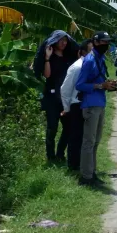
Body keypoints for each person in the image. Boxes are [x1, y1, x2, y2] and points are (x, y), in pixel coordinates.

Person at [76, 31, 117, 186]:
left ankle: (91, 173)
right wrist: (100, 85)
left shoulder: (100, 59)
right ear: (95, 43)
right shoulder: (89, 60)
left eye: (107, 42)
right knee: (89, 141)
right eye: (103, 42)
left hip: (100, 103)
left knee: (96, 141)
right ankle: (85, 177)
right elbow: (79, 84)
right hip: (90, 105)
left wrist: (109, 84)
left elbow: (99, 80)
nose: (106, 45)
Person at [34, 30, 78, 163]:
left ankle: (60, 153)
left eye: (65, 40)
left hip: (65, 97)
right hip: (52, 97)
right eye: (61, 40)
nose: (64, 43)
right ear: (55, 41)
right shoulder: (50, 57)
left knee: (68, 127)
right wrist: (47, 57)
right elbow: (47, 75)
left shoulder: (69, 56)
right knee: (52, 127)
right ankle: (50, 156)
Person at [60, 39, 93, 172]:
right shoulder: (77, 67)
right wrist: (67, 108)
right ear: (82, 52)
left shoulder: (92, 66)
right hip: (77, 105)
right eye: (90, 50)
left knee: (86, 137)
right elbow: (65, 89)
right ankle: (73, 165)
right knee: (76, 137)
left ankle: (82, 164)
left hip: (88, 104)